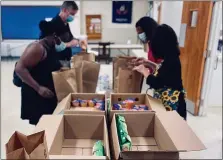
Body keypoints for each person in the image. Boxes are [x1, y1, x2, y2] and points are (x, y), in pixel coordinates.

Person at [133, 24, 187, 120]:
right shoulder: (170, 57)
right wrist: (148, 63)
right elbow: (163, 73)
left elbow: (157, 83)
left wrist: (144, 71)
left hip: (172, 105)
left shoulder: (172, 61)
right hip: (168, 101)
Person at [15, 20, 62, 125]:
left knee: (49, 125)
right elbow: (20, 69)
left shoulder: (50, 46)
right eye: (58, 39)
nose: (60, 42)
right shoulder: (37, 48)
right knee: (41, 126)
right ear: (53, 35)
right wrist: (38, 88)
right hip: (37, 94)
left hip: (47, 94)